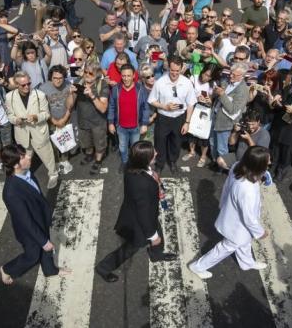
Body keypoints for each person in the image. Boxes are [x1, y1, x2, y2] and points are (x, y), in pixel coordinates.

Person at [95, 141, 176, 283]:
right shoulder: (142, 184)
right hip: (138, 222)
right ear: (144, 159)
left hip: (145, 214)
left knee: (157, 229)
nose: (156, 153)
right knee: (131, 247)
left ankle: (156, 254)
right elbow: (143, 213)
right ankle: (104, 267)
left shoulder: (133, 168)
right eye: (153, 153)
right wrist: (152, 236)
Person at [188, 146, 271, 279]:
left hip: (233, 218)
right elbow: (249, 218)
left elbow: (227, 187)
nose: (270, 163)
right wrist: (260, 232)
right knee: (225, 248)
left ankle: (247, 263)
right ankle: (197, 266)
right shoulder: (247, 189)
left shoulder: (238, 166)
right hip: (238, 226)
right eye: (267, 161)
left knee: (244, 243)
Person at [0, 145, 70, 286]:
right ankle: (6, 269)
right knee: (33, 256)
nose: (29, 156)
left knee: (46, 247)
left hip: (40, 218)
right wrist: (43, 241)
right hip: (29, 231)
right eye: (23, 157)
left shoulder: (26, 172)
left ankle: (50, 270)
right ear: (15, 165)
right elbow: (25, 221)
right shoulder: (11, 192)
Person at [4, 71, 60, 189]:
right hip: (22, 133)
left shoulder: (39, 95)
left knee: (47, 156)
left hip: (39, 132)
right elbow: (9, 115)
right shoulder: (10, 97)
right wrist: (15, 120)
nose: (27, 87)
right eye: (23, 85)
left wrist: (36, 117)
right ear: (16, 84)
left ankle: (53, 174)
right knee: (24, 159)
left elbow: (46, 114)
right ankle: (24, 177)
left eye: (29, 83)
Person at [148, 55, 197, 173]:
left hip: (179, 117)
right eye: (172, 70)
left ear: (181, 69)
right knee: (160, 142)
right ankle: (159, 164)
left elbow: (190, 103)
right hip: (163, 117)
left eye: (177, 71)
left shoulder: (187, 83)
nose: (174, 73)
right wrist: (164, 106)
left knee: (176, 142)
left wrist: (187, 122)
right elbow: (152, 100)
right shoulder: (160, 82)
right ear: (168, 67)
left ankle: (173, 161)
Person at [108, 64, 151, 172]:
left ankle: (133, 165)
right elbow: (112, 106)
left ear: (133, 76)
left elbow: (146, 108)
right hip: (121, 127)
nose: (126, 78)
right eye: (124, 76)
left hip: (136, 127)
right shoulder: (115, 89)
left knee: (135, 149)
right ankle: (124, 162)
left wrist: (145, 124)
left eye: (128, 76)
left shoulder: (141, 89)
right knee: (122, 148)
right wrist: (110, 122)